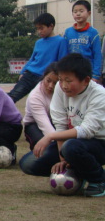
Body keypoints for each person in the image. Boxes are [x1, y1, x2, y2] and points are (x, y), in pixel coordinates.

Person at [20, 54, 105, 197]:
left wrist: (50, 136)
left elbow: (87, 131)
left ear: (86, 80)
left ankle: (99, 180)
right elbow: (60, 125)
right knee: (28, 163)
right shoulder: (60, 89)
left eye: (68, 81)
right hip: (72, 144)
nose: (63, 85)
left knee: (72, 146)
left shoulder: (99, 95)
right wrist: (63, 159)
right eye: (61, 80)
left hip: (99, 143)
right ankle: (80, 171)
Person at [7, 13, 67, 103]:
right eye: (37, 29)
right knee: (11, 97)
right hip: (30, 74)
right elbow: (32, 59)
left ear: (51, 26)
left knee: (41, 102)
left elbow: (62, 62)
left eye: (41, 28)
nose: (39, 31)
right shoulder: (38, 42)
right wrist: (23, 72)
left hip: (44, 77)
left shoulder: (61, 41)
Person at [21, 63, 59, 150]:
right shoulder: (35, 96)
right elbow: (45, 126)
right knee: (43, 143)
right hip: (35, 124)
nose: (50, 86)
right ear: (43, 77)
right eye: (48, 80)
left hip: (56, 122)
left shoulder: (63, 91)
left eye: (55, 83)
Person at [63, 0, 101, 82]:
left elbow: (97, 55)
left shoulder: (93, 33)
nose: (78, 14)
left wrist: (96, 75)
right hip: (71, 71)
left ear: (89, 13)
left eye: (81, 11)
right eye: (75, 11)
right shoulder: (68, 32)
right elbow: (64, 52)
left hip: (87, 72)